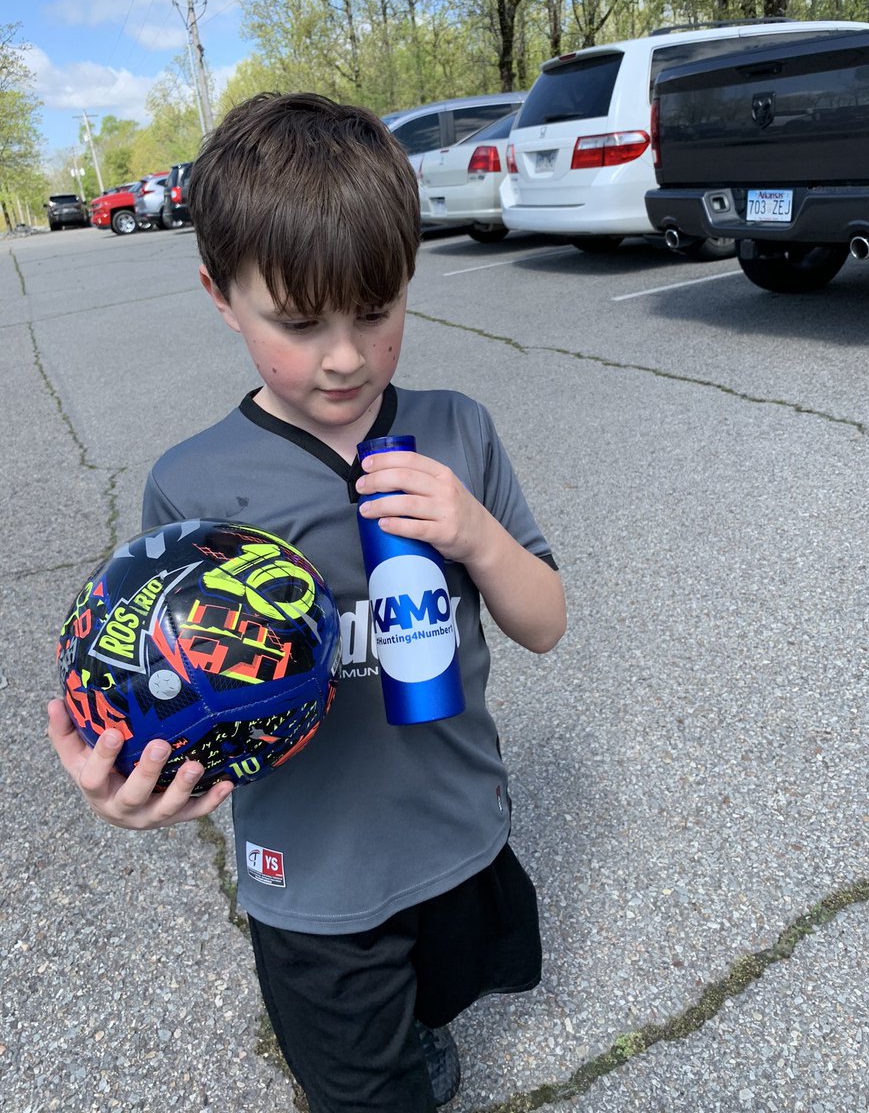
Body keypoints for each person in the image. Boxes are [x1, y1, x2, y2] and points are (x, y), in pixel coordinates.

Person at [47, 92, 566, 1112]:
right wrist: (121, 783)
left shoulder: (457, 431)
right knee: (361, 1090)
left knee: (446, 993)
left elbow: (544, 620)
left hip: (461, 831)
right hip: (317, 885)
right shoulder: (196, 488)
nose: (344, 356)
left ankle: (423, 1033)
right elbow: (142, 691)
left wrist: (474, 534)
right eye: (297, 321)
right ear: (220, 295)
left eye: (377, 312)